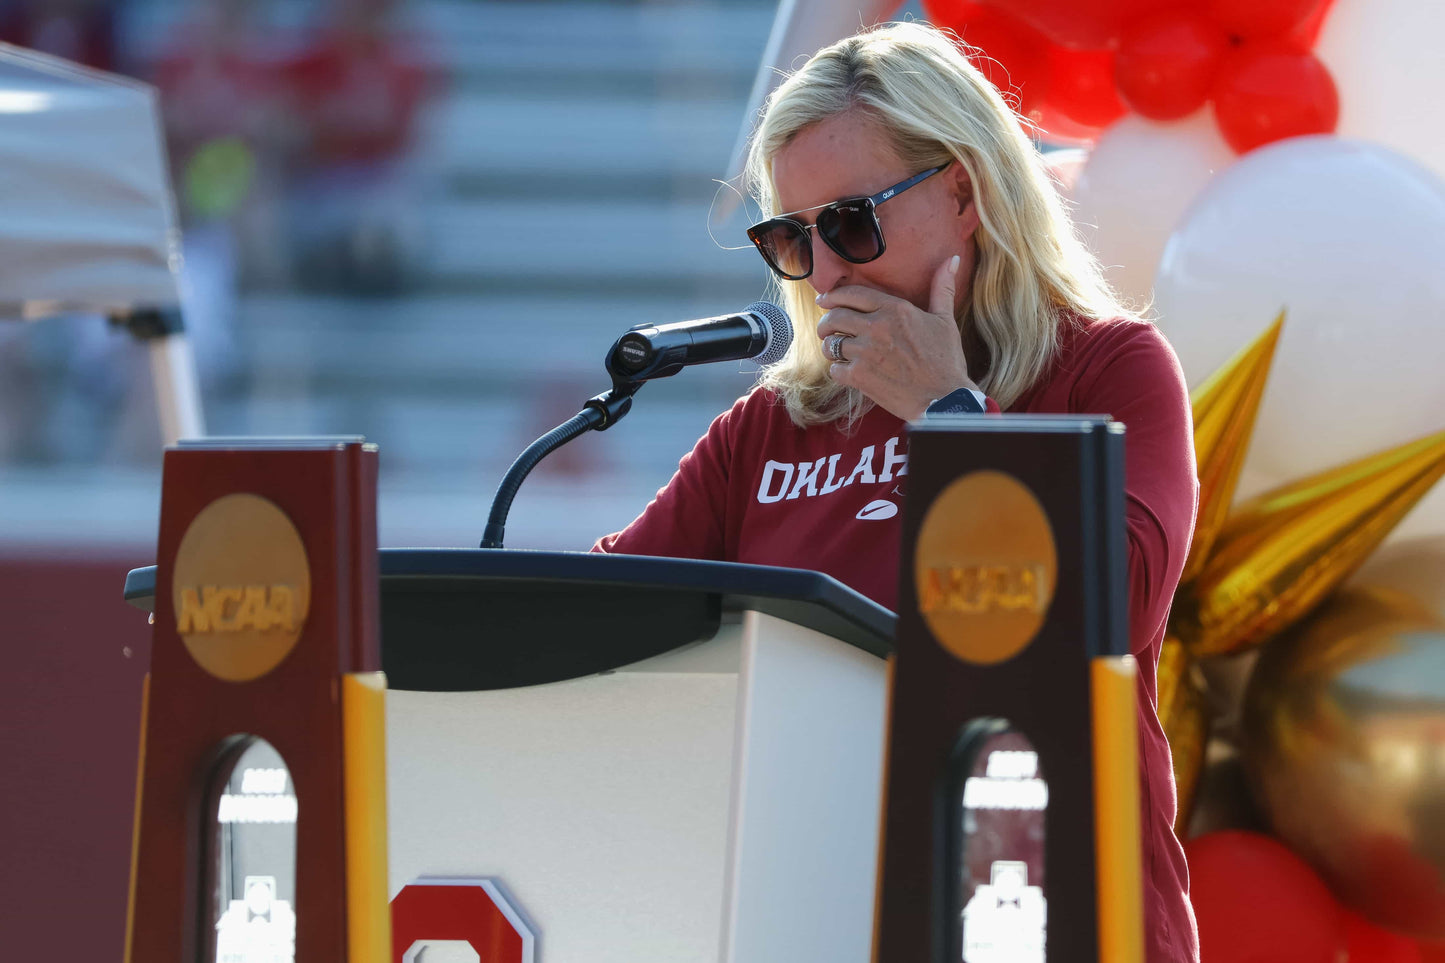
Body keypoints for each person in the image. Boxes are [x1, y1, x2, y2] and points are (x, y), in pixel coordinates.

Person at [594, 21, 1198, 963]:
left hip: (1055, 914)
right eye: (790, 238)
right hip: (817, 917)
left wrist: (946, 414)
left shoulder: (1109, 371)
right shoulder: (771, 427)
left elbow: (1104, 614)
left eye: (848, 222)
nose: (827, 271)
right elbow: (602, 617)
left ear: (963, 192)